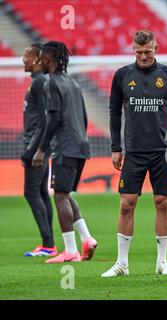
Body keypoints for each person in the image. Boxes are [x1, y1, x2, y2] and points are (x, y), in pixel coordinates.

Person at [102, 30, 167, 277]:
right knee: (127, 204)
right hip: (134, 152)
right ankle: (122, 263)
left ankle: (162, 262)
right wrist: (116, 147)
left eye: (148, 51)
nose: (144, 56)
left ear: (156, 48)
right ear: (133, 49)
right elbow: (114, 112)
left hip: (163, 152)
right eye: (139, 52)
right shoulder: (122, 75)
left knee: (162, 202)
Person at [32, 41, 97, 263]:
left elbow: (55, 118)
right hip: (81, 146)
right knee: (65, 194)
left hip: (65, 148)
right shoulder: (73, 83)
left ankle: (70, 251)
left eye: (41, 57)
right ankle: (87, 238)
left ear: (48, 60)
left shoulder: (51, 84)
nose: (39, 61)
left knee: (60, 196)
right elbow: (85, 119)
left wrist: (41, 149)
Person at [21, 43, 56, 257]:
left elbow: (44, 121)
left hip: (37, 148)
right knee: (41, 192)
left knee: (31, 192)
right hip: (38, 146)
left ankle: (48, 244)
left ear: (35, 59)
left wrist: (35, 150)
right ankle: (48, 244)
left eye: (26, 56)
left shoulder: (40, 82)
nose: (23, 60)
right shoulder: (37, 82)